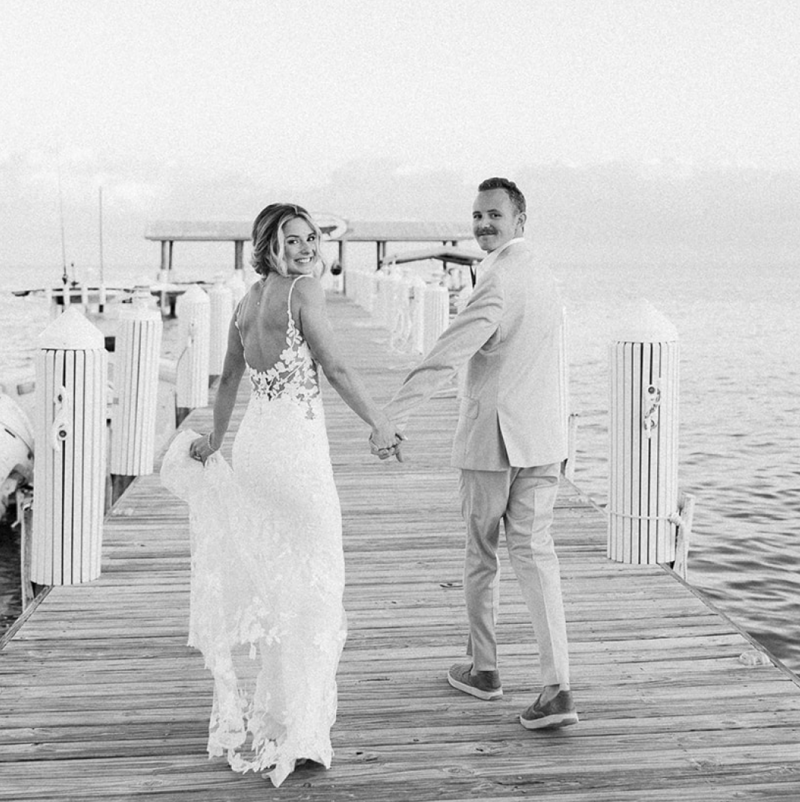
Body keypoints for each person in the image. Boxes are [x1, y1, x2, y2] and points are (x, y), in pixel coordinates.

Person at [162, 203, 399, 787]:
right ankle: (303, 728)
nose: (305, 247)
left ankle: (280, 714)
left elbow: (228, 382)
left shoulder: (246, 303)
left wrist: (213, 441)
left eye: (310, 238)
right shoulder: (304, 291)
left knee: (280, 583)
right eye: (292, 239)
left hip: (255, 450)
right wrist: (379, 423)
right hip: (295, 454)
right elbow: (336, 366)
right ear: (269, 244)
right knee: (319, 581)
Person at [379, 178, 578, 730]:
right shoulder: (545, 275)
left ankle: (485, 670)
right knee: (538, 560)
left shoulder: (497, 279)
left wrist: (393, 413)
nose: (483, 224)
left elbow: (449, 352)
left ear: (519, 220)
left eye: (493, 214)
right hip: (542, 441)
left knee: (481, 556)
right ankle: (557, 684)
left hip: (493, 443)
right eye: (476, 216)